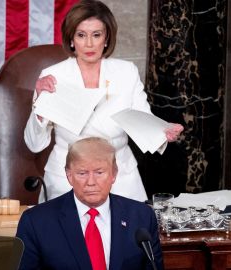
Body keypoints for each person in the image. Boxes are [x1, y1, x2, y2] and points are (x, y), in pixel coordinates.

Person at [24, 0, 183, 203]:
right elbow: (34, 144)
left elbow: (144, 120)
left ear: (106, 38)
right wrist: (40, 106)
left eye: (96, 35)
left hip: (120, 176)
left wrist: (163, 131)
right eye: (81, 35)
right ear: (71, 39)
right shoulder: (53, 76)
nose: (89, 44)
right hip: (67, 177)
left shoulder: (126, 72)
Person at [16, 137, 164, 270]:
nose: (91, 182)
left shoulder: (142, 216)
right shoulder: (36, 222)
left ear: (113, 174)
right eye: (82, 173)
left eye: (99, 172)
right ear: (69, 176)